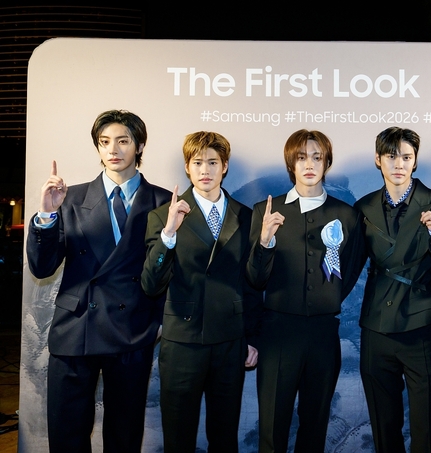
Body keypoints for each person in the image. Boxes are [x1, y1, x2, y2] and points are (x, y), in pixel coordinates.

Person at [26, 110, 172, 453]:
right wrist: (46, 215)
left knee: (124, 435)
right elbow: (42, 268)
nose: (113, 150)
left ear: (139, 145)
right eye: (104, 142)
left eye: (123, 141)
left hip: (133, 328)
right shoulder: (69, 198)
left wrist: (160, 320)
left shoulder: (164, 201)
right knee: (67, 435)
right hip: (76, 328)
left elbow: (172, 271)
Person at [141, 131, 261, 453]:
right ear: (187, 167)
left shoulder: (246, 216)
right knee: (178, 436)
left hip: (229, 340)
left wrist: (252, 337)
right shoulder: (162, 216)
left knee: (225, 436)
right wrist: (169, 233)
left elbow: (251, 284)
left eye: (212, 162)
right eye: (197, 163)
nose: (205, 170)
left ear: (224, 166)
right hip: (182, 341)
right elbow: (151, 284)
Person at [247, 129, 365, 453]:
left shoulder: (347, 215)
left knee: (315, 427)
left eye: (317, 157)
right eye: (301, 158)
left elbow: (349, 271)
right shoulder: (265, 212)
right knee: (272, 428)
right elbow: (255, 279)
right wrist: (265, 241)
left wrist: (326, 299)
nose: (309, 164)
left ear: (327, 162)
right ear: (291, 163)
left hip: (323, 335)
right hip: (277, 334)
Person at [355, 126, 431, 453]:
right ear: (378, 160)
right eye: (391, 156)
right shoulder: (363, 208)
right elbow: (345, 267)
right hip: (376, 327)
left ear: (415, 161)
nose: (399, 164)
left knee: (425, 429)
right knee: (383, 427)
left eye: (406, 157)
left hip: (421, 326)